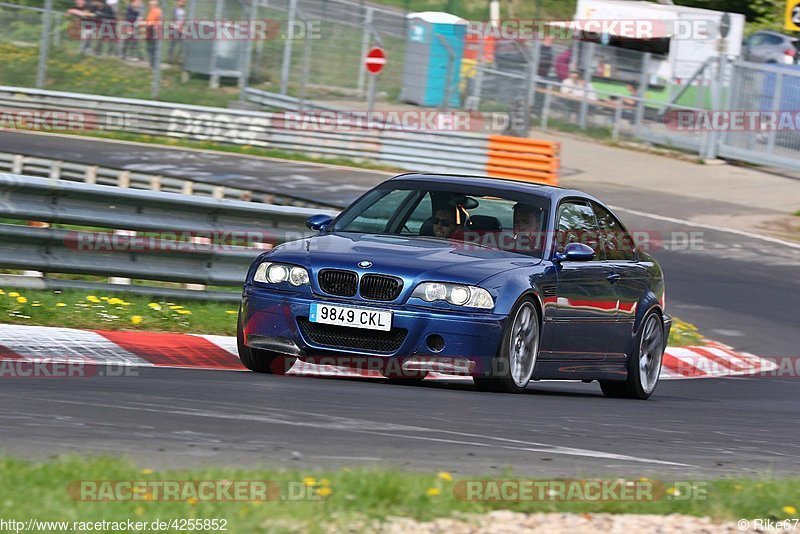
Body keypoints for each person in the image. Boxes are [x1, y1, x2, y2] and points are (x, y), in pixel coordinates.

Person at [145, 0, 163, 68]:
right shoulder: (159, 11)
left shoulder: (154, 11)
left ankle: (153, 63)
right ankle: (155, 62)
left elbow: (150, 23)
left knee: (151, 48)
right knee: (154, 47)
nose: (149, 6)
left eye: (150, 5)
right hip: (155, 31)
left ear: (154, 5)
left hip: (152, 31)